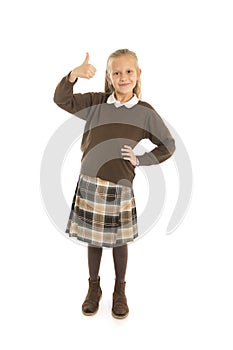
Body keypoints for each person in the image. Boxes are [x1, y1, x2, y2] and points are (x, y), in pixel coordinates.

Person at [54, 49, 175, 319]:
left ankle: (119, 291)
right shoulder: (97, 102)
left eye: (128, 72)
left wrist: (141, 159)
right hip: (89, 181)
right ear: (109, 77)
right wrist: (74, 75)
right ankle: (93, 288)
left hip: (120, 186)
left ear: (138, 74)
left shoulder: (145, 113)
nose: (123, 77)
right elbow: (61, 99)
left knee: (119, 242)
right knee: (92, 239)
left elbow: (168, 145)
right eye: (117, 72)